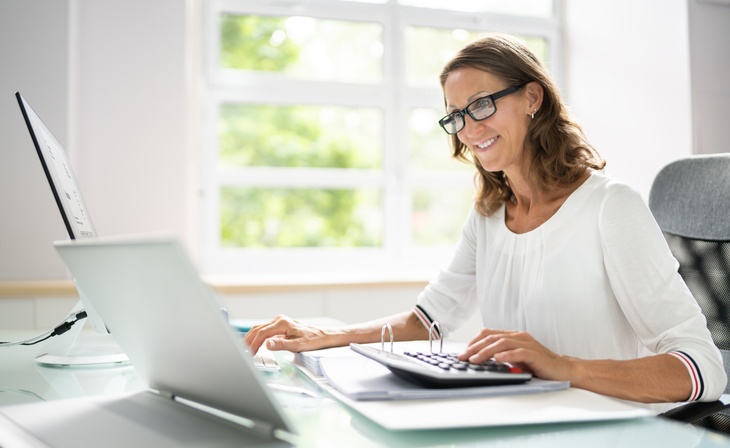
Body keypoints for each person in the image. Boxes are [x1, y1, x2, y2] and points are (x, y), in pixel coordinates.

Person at [245, 33, 727, 404]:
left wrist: (563, 366)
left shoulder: (610, 208)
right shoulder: (489, 216)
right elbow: (428, 320)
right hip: (523, 426)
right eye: (455, 115)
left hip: (608, 439)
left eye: (482, 104)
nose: (469, 128)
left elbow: (704, 367)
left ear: (533, 99)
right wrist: (330, 335)